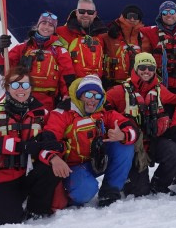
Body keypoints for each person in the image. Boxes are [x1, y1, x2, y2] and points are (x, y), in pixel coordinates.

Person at [0, 68, 66, 224]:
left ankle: (36, 208)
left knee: (52, 168)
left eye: (25, 85)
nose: (21, 89)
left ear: (31, 87)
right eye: (15, 85)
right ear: (7, 87)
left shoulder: (43, 113)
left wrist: (53, 156)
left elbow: (52, 142)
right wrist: (21, 147)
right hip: (0, 177)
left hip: (29, 173)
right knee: (9, 220)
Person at [42, 74, 139, 207]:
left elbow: (133, 130)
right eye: (88, 95)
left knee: (125, 146)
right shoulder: (62, 113)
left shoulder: (104, 112)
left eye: (97, 96)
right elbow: (47, 140)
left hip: (97, 160)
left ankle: (110, 192)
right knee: (85, 192)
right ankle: (70, 193)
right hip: (72, 167)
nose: (92, 100)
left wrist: (122, 135)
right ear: (79, 95)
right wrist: (54, 158)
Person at [106, 53, 176, 197]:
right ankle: (128, 181)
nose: (146, 71)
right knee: (139, 192)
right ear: (135, 68)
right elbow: (101, 105)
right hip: (133, 146)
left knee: (175, 151)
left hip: (153, 141)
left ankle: (159, 184)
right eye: (142, 67)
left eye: (151, 68)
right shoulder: (119, 91)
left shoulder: (160, 90)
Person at [0, 11, 75, 111]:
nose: (46, 27)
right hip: (20, 97)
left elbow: (67, 77)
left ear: (54, 30)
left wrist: (66, 96)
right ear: (38, 25)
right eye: (43, 23)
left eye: (51, 25)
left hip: (47, 102)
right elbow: (4, 69)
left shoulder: (60, 51)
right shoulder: (22, 48)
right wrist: (0, 50)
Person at [56, 0, 107, 79]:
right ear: (76, 12)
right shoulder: (60, 32)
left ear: (95, 14)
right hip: (70, 85)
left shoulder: (103, 35)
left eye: (90, 12)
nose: (85, 15)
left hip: (96, 86)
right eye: (82, 11)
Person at [103, 4, 150, 88]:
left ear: (139, 19)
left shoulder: (145, 37)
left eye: (135, 16)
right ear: (123, 17)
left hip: (137, 84)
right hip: (113, 84)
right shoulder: (109, 35)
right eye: (129, 16)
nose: (132, 19)